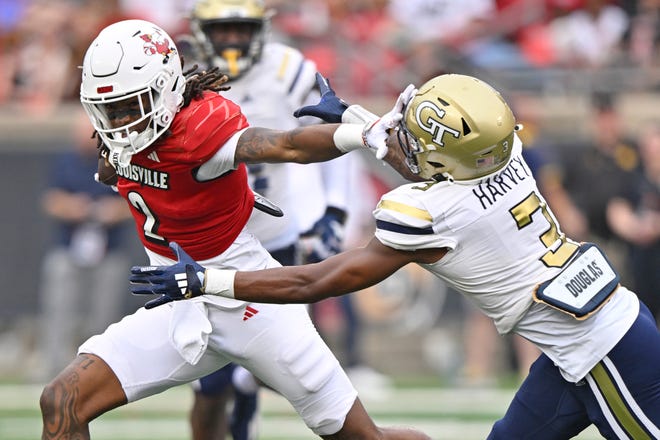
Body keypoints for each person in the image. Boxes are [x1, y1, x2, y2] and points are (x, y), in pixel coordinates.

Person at [131, 73, 660, 439]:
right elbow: (440, 173)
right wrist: (358, 122)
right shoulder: (507, 155)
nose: (401, 131)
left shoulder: (432, 213)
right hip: (588, 337)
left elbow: (315, 283)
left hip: (605, 355)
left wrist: (210, 282)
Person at [38, 18, 429, 440]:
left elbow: (287, 145)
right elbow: (126, 166)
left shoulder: (200, 128)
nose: (119, 122)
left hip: (248, 303)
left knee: (362, 438)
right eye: (109, 110)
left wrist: (361, 133)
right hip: (177, 304)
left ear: (167, 90)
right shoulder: (119, 138)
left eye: (132, 106)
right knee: (61, 402)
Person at [180, 1, 354, 438]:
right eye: (223, 30)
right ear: (201, 32)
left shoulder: (287, 69)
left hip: (274, 238)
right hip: (208, 243)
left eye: (242, 28)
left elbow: (339, 134)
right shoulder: (174, 76)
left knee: (278, 356)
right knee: (210, 384)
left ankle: (247, 386)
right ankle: (236, 390)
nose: (234, 39)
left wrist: (333, 211)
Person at [37, 110, 133, 380]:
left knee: (104, 315)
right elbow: (51, 200)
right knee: (59, 309)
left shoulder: (118, 160)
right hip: (69, 247)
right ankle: (53, 369)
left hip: (108, 248)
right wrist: (75, 208)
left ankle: (98, 373)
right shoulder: (65, 161)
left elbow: (133, 203)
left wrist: (110, 211)